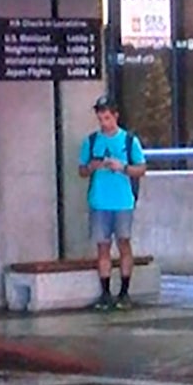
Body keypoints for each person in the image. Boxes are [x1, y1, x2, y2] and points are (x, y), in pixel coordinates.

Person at [77, 95, 147, 310]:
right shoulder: (90, 141)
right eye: (100, 119)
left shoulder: (129, 141)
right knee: (103, 246)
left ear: (115, 116)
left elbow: (142, 169)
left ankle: (124, 291)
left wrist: (123, 167)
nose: (104, 123)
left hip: (123, 201)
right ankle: (105, 292)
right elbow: (81, 170)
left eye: (107, 118)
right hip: (99, 201)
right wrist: (93, 166)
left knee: (124, 243)